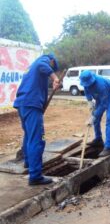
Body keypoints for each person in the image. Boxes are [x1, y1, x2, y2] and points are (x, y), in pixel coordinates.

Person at [13, 54, 60, 185]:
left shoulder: (31, 68)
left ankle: (28, 162)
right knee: (37, 139)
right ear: (51, 61)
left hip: (23, 104)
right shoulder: (42, 62)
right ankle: (35, 176)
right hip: (31, 104)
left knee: (29, 135)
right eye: (53, 66)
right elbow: (42, 65)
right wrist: (55, 78)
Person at [79, 70, 110, 157]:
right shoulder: (86, 83)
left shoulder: (100, 85)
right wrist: (89, 102)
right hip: (100, 96)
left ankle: (108, 147)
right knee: (96, 118)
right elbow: (86, 91)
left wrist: (93, 116)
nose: (87, 85)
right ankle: (98, 139)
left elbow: (104, 104)